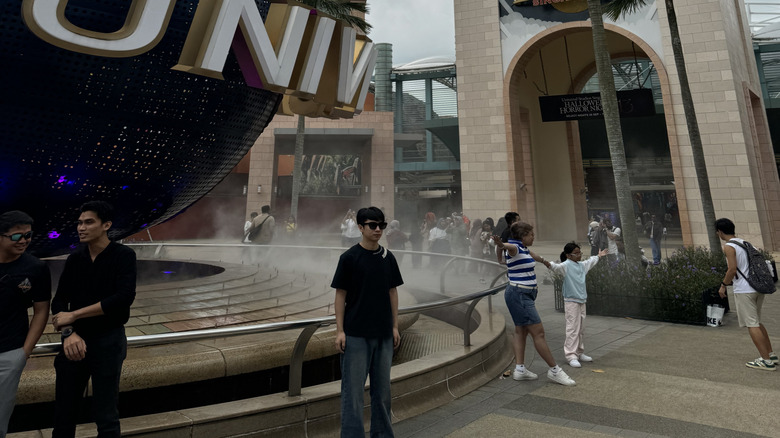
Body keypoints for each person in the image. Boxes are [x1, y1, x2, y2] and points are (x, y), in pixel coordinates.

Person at [51, 200, 137, 437]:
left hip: (109, 341)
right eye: (79, 222)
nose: (81, 227)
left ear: (106, 225)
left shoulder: (124, 256)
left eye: (89, 222)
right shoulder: (75, 259)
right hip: (74, 342)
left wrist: (75, 314)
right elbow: (58, 301)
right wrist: (69, 332)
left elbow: (122, 299)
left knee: (106, 414)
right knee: (64, 414)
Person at [332, 207, 403, 436]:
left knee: (382, 393)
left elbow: (392, 292)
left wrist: (394, 326)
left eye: (381, 225)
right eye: (372, 225)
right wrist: (340, 331)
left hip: (383, 334)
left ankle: (382, 434)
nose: (378, 230)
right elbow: (340, 295)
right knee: (352, 394)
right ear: (360, 227)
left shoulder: (387, 257)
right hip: (355, 335)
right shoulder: (349, 258)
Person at [492, 222, 576, 386]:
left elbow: (534, 256)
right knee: (539, 333)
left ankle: (520, 370)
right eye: (531, 234)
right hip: (519, 295)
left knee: (520, 330)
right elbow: (505, 245)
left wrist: (546, 262)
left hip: (524, 295)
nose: (533, 237)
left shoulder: (523, 248)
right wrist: (500, 245)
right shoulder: (514, 247)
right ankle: (554, 371)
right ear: (523, 236)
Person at [0, 211, 51, 436]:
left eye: (28, 236)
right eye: (15, 236)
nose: (23, 241)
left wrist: (25, 352)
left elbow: (41, 311)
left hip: (10, 352)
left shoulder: (36, 268)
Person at [715, 218, 778, 370]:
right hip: (756, 287)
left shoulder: (729, 247)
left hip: (744, 290)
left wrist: (723, 286)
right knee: (756, 321)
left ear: (720, 232)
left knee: (752, 324)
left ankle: (765, 361)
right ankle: (770, 354)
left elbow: (732, 269)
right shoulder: (745, 243)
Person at [547, 242, 607, 368]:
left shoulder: (581, 265)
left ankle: (579, 352)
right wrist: (544, 261)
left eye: (580, 252)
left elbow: (591, 261)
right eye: (576, 253)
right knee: (572, 328)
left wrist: (599, 256)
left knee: (581, 328)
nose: (579, 255)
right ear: (569, 255)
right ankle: (571, 355)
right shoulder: (566, 266)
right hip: (571, 301)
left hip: (581, 300)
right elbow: (555, 267)